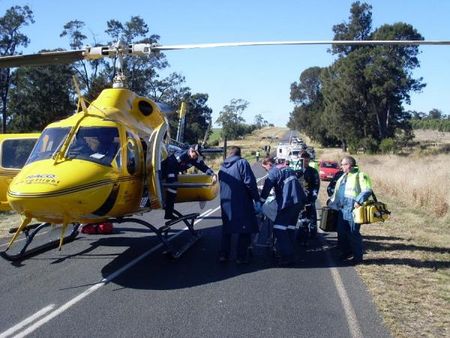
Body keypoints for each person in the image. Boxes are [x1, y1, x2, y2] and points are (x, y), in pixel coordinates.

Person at [260, 156, 306, 266]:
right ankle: (291, 253)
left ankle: (288, 256)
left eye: (265, 168)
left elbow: (267, 187)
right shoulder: (288, 169)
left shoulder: (274, 171)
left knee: (279, 229)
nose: (266, 171)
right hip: (299, 201)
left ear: (270, 164)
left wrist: (260, 201)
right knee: (289, 228)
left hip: (288, 202)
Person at [218, 146, 261, 264]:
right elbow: (250, 182)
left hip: (225, 201)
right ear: (239, 154)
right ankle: (240, 257)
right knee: (245, 229)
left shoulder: (222, 166)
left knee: (227, 229)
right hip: (241, 201)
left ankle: (223, 255)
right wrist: (256, 199)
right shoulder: (242, 163)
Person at [328, 156, 372, 265]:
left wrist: (359, 201)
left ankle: (358, 258)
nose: (341, 166)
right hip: (342, 210)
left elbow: (367, 190)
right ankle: (346, 252)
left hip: (352, 209)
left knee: (353, 233)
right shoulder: (343, 176)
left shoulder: (360, 175)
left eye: (343, 164)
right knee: (342, 233)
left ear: (349, 165)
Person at [161, 144, 216, 219]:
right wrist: (172, 180)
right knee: (172, 189)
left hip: (173, 171)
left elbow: (203, 167)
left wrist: (213, 174)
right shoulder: (181, 155)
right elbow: (171, 165)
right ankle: (168, 213)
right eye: (196, 154)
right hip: (164, 170)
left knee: (173, 191)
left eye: (198, 155)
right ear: (191, 150)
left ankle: (168, 213)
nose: (196, 156)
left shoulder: (194, 159)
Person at [296, 151, 320, 239]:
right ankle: (300, 234)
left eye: (306, 161)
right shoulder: (295, 171)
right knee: (300, 218)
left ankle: (313, 235)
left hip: (309, 199)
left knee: (311, 218)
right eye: (303, 161)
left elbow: (316, 185)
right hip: (298, 199)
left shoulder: (313, 171)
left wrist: (313, 197)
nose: (305, 163)